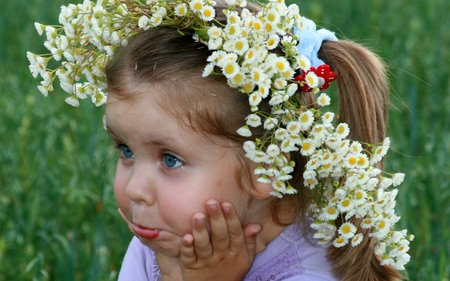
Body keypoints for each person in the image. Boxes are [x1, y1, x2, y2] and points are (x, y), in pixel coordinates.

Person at [28, 0, 413, 280]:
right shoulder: (163, 239)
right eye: (126, 150)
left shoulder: (309, 272)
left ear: (268, 166)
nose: (135, 190)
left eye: (170, 159)